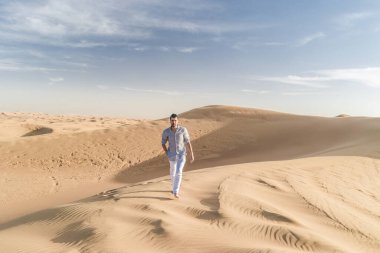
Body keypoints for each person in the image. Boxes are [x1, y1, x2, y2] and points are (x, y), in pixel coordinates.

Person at [161, 113, 194, 198]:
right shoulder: (166, 132)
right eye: (172, 120)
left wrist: (191, 154)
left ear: (177, 121)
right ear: (170, 121)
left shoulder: (183, 130)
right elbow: (163, 143)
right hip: (171, 155)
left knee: (179, 172)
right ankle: (173, 188)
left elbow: (187, 142)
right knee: (173, 172)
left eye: (175, 120)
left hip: (181, 155)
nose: (174, 122)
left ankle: (176, 192)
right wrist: (167, 153)